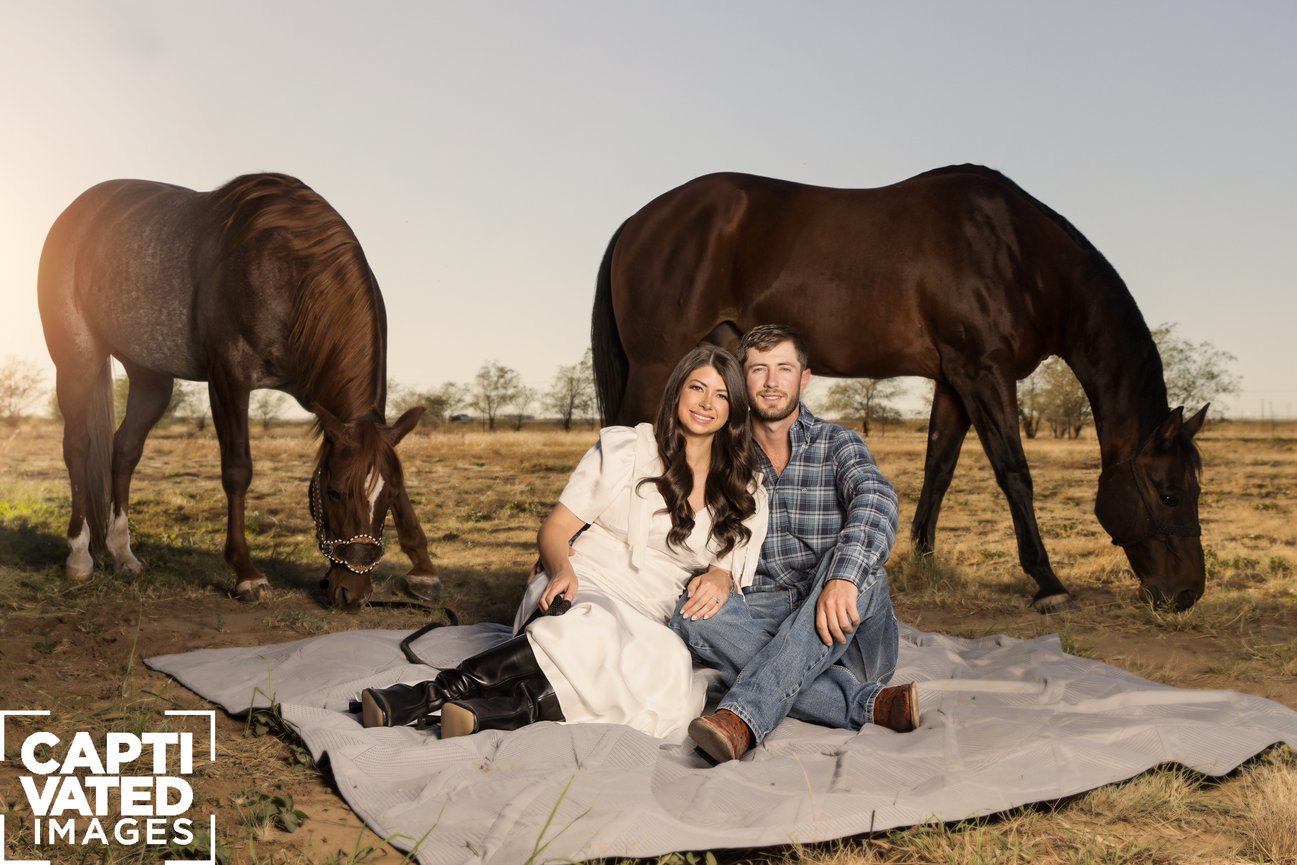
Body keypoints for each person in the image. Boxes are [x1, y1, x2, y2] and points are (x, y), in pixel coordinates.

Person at [359, 345, 768, 740]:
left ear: (733, 408)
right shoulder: (627, 449)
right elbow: (554, 529)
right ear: (678, 390)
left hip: (651, 611)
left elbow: (731, 564)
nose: (706, 403)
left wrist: (720, 572)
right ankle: (427, 695)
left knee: (665, 671)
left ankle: (497, 712)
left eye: (721, 395)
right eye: (697, 387)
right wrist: (561, 567)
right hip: (586, 577)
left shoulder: (744, 487)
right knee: (592, 626)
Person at [671, 324, 918, 763]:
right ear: (741, 380)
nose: (771, 382)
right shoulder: (725, 454)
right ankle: (868, 704)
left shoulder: (838, 442)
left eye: (784, 368)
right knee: (691, 615)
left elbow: (876, 497)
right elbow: (651, 491)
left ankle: (741, 718)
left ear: (803, 378)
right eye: (758, 369)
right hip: (763, 612)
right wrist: (570, 542)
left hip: (849, 628)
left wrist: (842, 577)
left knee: (856, 563)